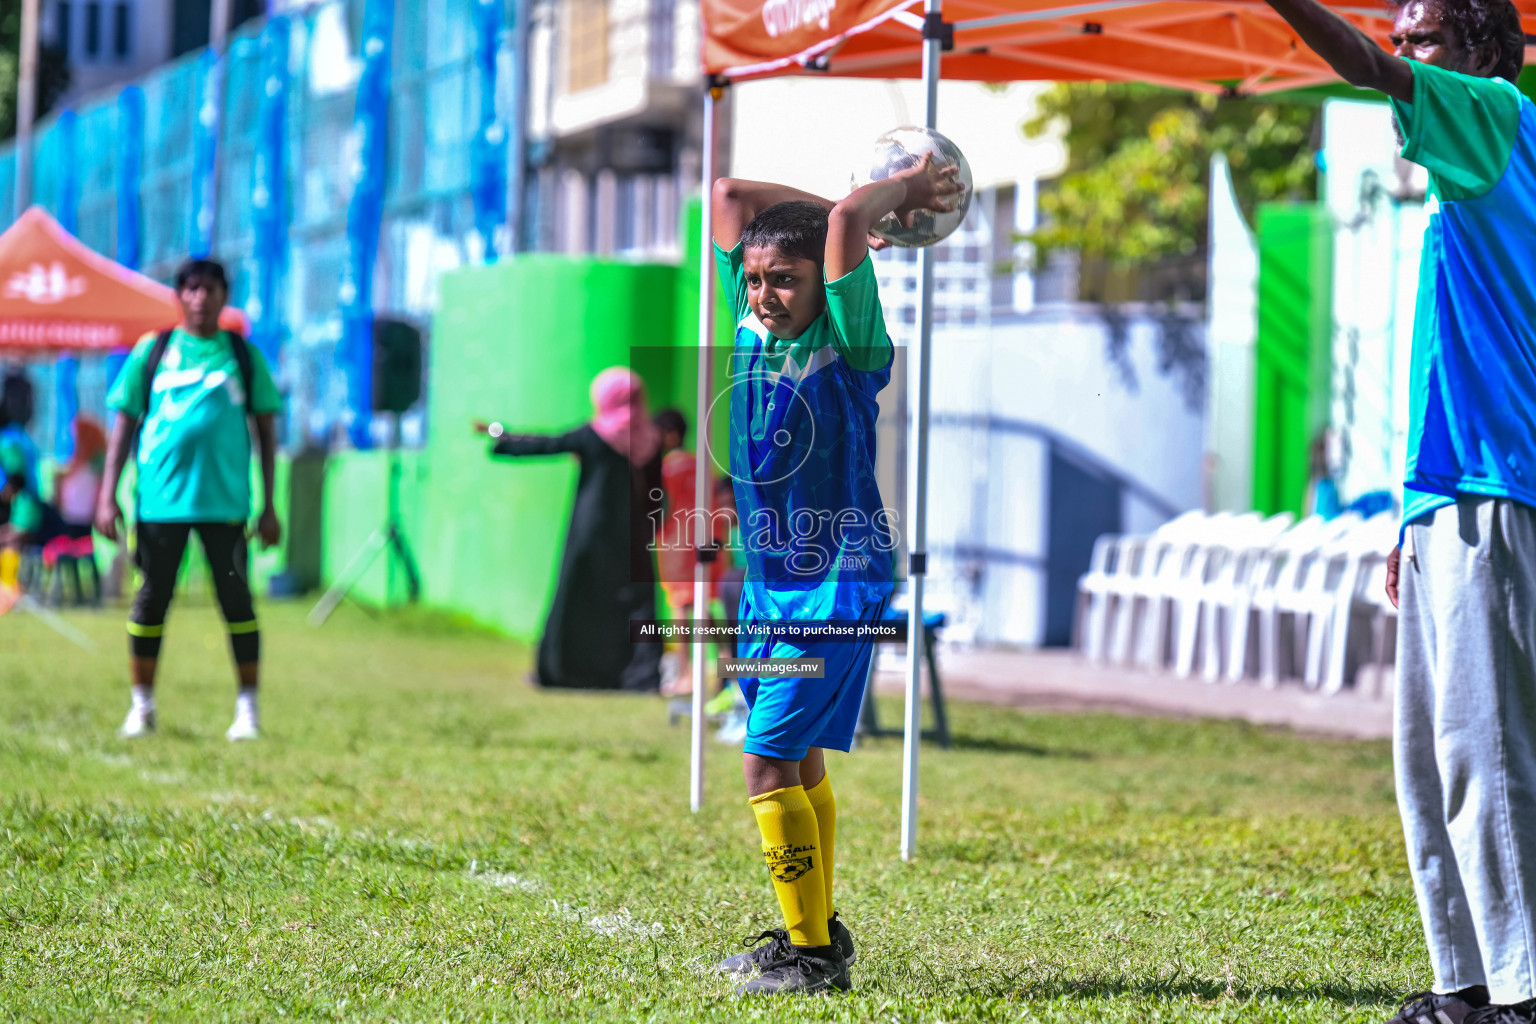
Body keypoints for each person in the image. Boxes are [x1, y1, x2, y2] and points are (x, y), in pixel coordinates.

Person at [1258, 0, 1536, 1021]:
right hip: (1447, 494)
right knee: (1428, 754)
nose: (1408, 54)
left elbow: (1367, 68)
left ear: (1485, 52)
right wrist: (1409, 516)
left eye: (1426, 37)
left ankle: (1521, 987)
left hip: (1497, 487)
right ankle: (1464, 982)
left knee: (1487, 748)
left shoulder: (1496, 114)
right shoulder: (1468, 169)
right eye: (1405, 34)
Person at [708, 158, 960, 995]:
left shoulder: (850, 348)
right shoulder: (750, 325)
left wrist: (899, 197)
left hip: (835, 585)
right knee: (802, 760)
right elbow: (731, 200)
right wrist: (818, 225)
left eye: (785, 279)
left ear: (831, 284)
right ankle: (811, 935)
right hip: (769, 586)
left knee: (765, 760)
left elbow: (851, 214)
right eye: (754, 277)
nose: (764, 292)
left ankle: (813, 959)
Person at [95, 258, 283, 742]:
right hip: (159, 504)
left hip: (225, 507)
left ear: (224, 296)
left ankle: (248, 710)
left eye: (211, 288)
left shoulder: (242, 356)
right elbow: (123, 422)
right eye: (192, 288)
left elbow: (265, 431)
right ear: (179, 296)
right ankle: (142, 706)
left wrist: (269, 505)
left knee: (236, 601)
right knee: (151, 600)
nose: (201, 297)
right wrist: (107, 494)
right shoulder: (154, 352)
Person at [476, 366, 665, 692]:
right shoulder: (651, 439)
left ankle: (563, 671)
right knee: (636, 604)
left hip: (592, 531)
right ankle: (639, 676)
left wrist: (501, 436)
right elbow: (656, 492)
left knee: (578, 599)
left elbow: (549, 443)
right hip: (635, 534)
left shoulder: (596, 435)